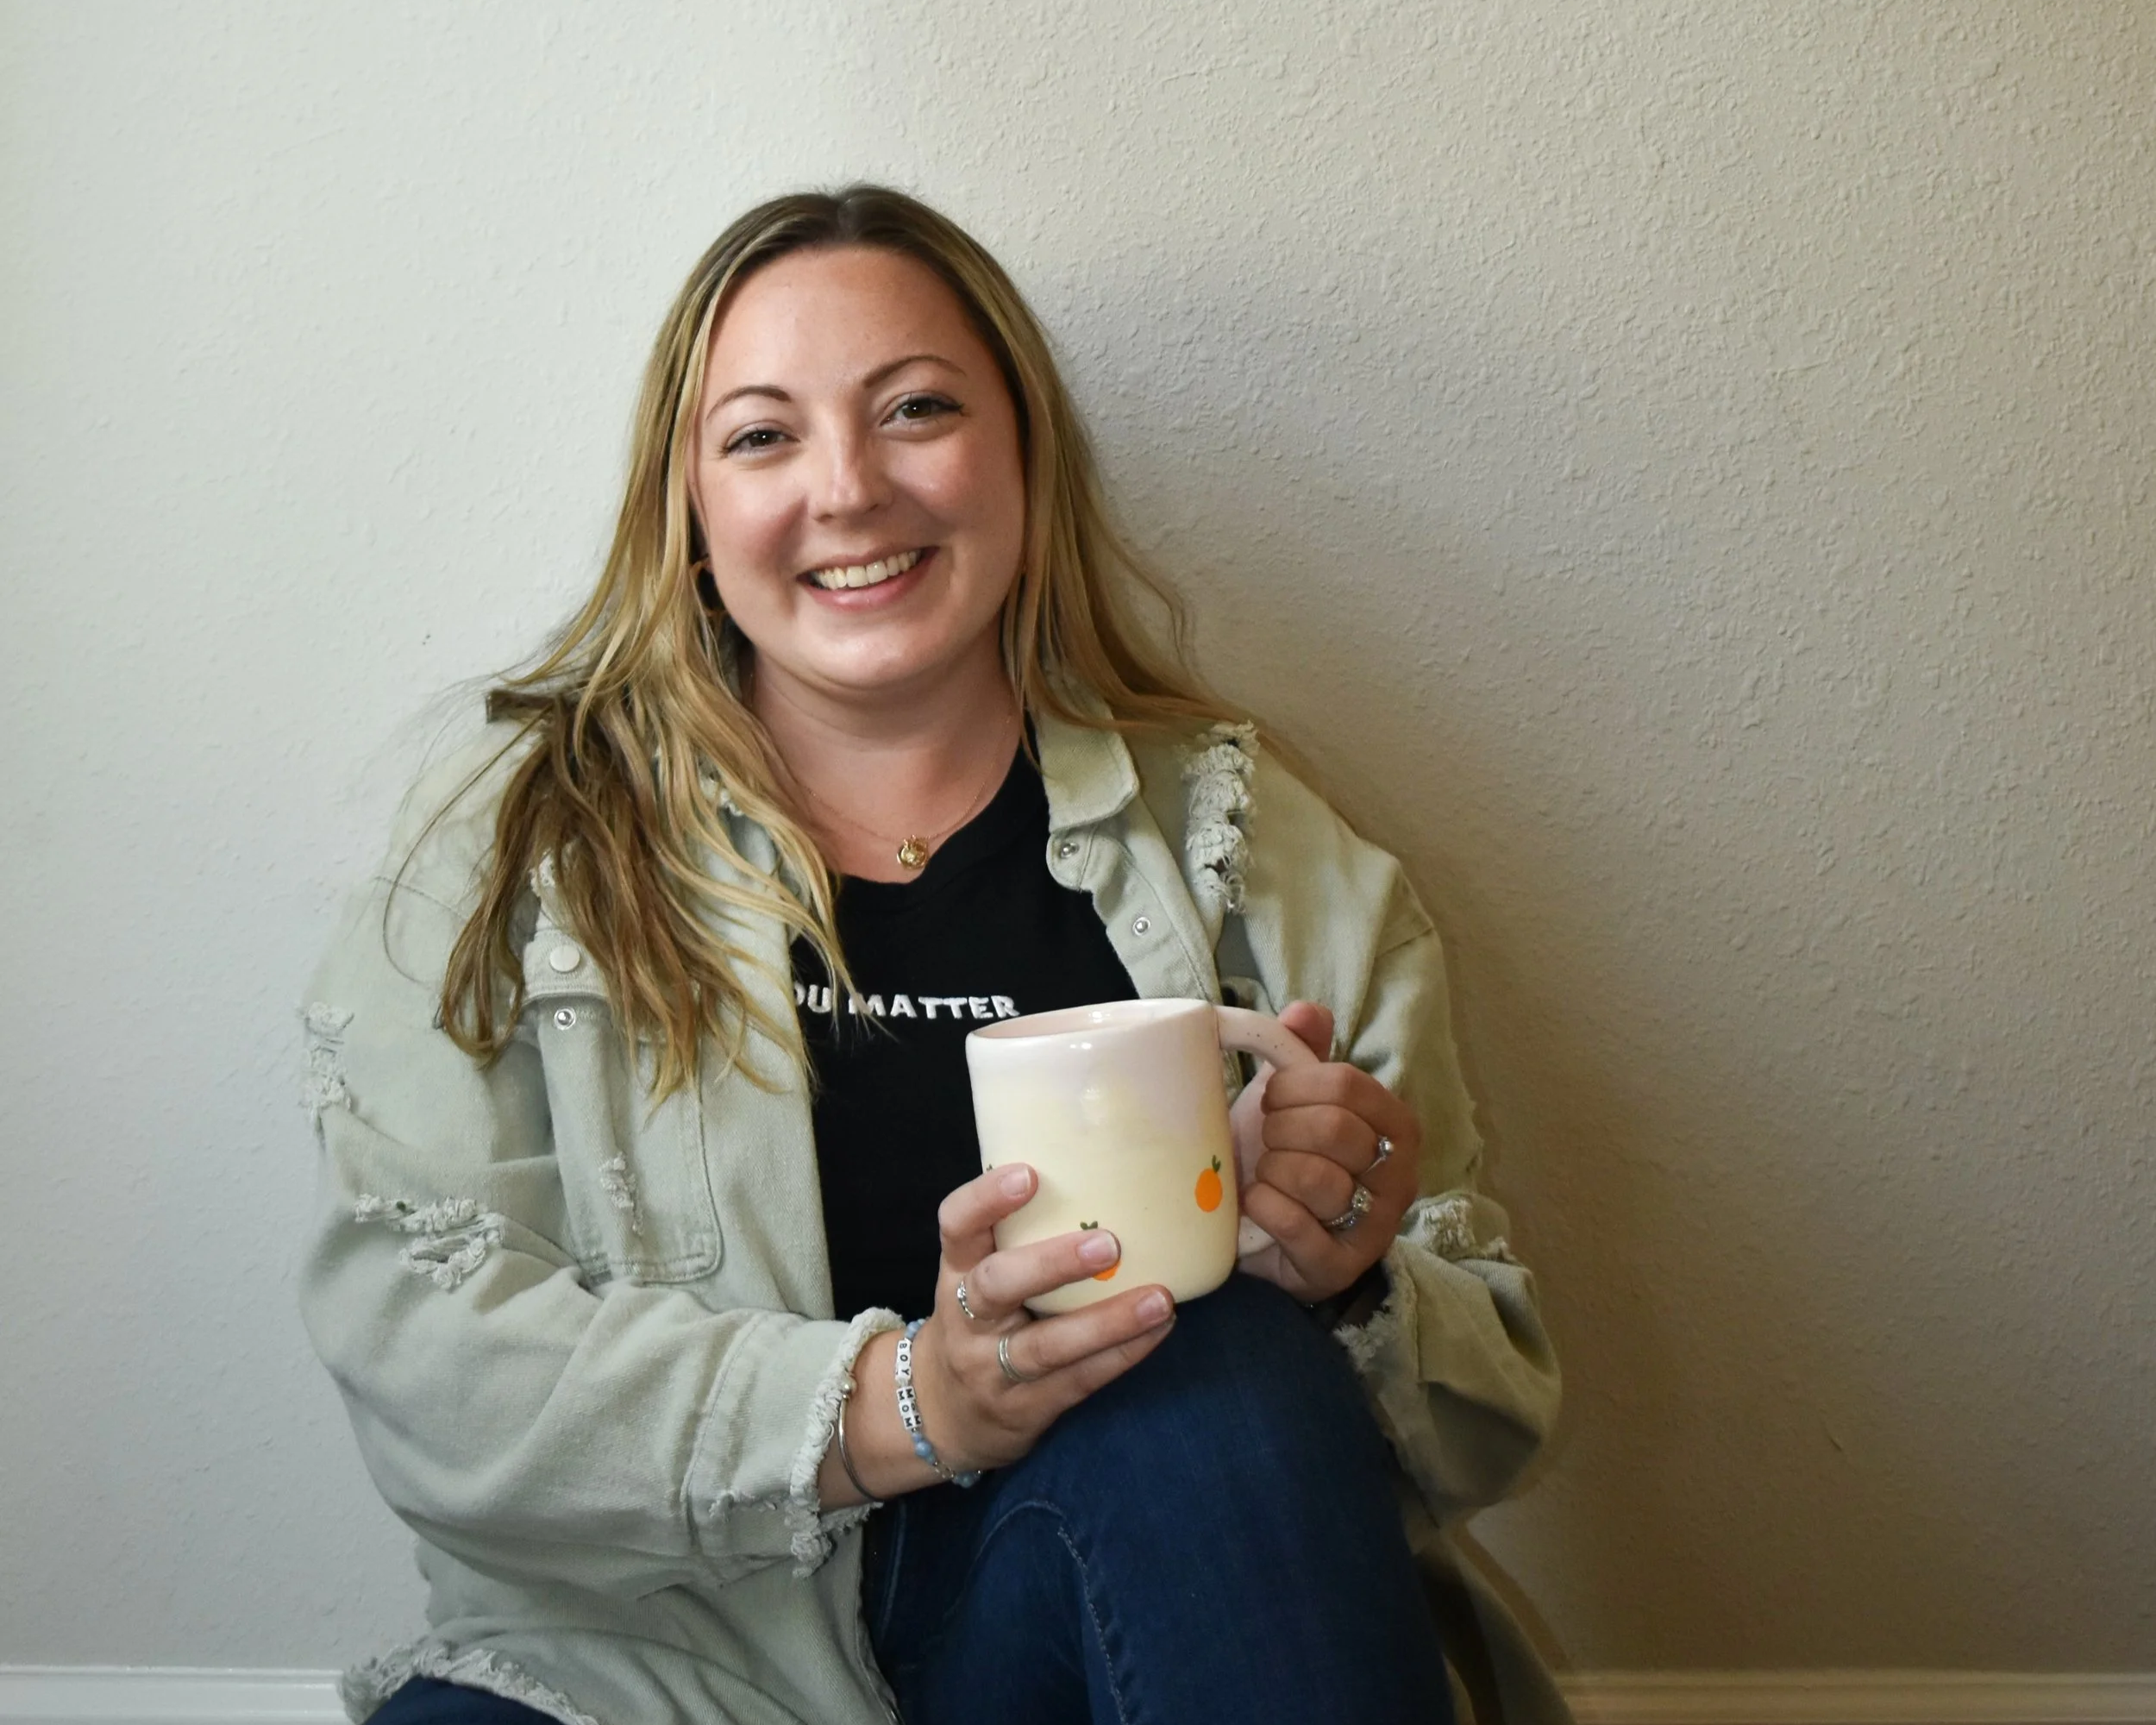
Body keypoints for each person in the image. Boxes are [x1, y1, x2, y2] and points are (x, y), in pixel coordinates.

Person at [299, 185, 1564, 1725]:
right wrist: (906, 1405)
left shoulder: (1240, 833)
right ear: (688, 508)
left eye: (914, 409)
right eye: (763, 436)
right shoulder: (520, 836)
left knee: (1219, 1356)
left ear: (1023, 454)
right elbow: (433, 1372)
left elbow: (1495, 1402)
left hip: (1112, 1613)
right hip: (648, 1668)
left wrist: (1348, 1276)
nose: (847, 490)